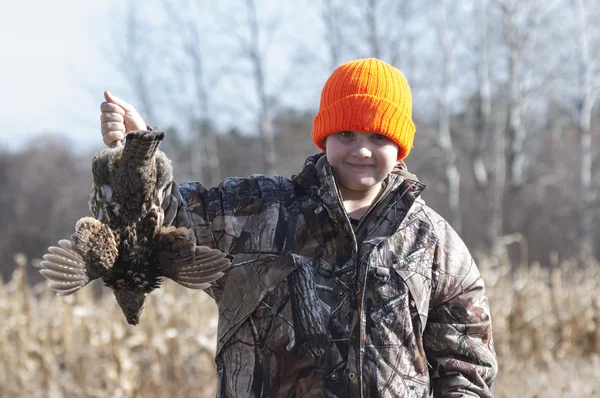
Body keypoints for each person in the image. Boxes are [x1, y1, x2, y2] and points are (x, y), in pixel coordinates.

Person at [100, 58, 497, 397]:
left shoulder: (431, 240)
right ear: (324, 136)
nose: (361, 149)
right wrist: (139, 150)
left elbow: (466, 362)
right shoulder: (256, 212)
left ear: (400, 146)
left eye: (378, 136)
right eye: (346, 133)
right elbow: (167, 219)